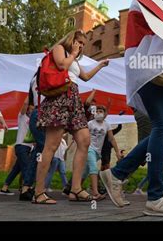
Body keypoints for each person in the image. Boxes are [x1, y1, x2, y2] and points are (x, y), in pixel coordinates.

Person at [99, 0, 163, 217]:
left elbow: (160, 30)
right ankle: (156, 196)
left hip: (154, 65)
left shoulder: (149, 4)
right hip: (146, 64)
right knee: (162, 126)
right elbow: (161, 28)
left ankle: (117, 174)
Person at [33, 29, 109, 204]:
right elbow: (61, 66)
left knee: (84, 140)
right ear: (71, 40)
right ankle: (38, 192)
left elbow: (86, 77)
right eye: (79, 42)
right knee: (51, 146)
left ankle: (75, 189)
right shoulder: (60, 49)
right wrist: (73, 53)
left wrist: (100, 65)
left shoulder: (74, 58)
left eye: (83, 44)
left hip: (74, 98)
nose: (81, 46)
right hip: (59, 98)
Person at [83, 105, 121, 200]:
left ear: (104, 114)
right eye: (97, 111)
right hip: (89, 148)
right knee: (94, 169)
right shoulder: (90, 123)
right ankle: (95, 193)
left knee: (85, 172)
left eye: (101, 111)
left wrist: (117, 152)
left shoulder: (107, 125)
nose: (99, 112)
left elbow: (111, 138)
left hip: (97, 152)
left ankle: (74, 189)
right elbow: (83, 136)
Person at [1, 98, 34, 196]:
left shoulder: (32, 120)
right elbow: (24, 104)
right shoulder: (22, 117)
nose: (31, 111)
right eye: (30, 109)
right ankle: (27, 188)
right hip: (21, 146)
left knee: (16, 169)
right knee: (27, 168)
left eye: (33, 110)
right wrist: (30, 94)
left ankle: (4, 188)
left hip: (27, 148)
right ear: (27, 109)